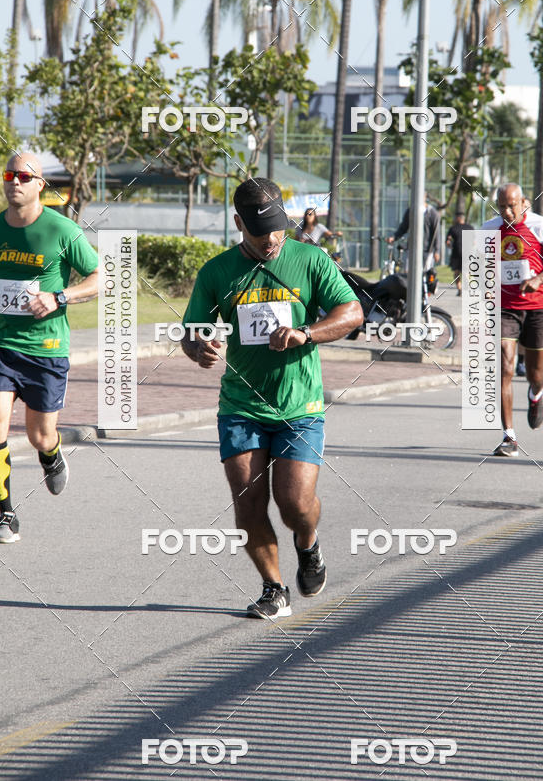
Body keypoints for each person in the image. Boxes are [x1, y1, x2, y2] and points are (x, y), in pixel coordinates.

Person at [182, 178, 362, 619]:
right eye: (261, 232)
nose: (272, 239)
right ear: (239, 223)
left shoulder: (310, 259)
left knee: (295, 504)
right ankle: (273, 587)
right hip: (241, 406)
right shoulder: (216, 272)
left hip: (299, 406)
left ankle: (308, 544)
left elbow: (352, 312)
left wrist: (307, 332)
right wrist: (198, 346)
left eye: (278, 228)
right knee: (248, 503)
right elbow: (191, 331)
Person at [0, 152, 99, 543]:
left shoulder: (61, 230)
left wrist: (59, 296)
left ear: (40, 184)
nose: (14, 181)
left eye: (24, 176)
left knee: (40, 434)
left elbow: (98, 279)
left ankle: (50, 454)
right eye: (9, 174)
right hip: (1, 344)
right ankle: (4, 512)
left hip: (45, 349)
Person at [483, 183, 543, 457]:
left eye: (511, 205)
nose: (507, 212)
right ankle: (509, 436)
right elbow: (476, 264)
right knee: (505, 368)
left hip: (538, 307)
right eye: (502, 206)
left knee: (535, 373)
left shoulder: (540, 225)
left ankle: (535, 395)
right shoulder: (489, 229)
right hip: (505, 308)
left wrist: (539, 278)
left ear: (523, 203)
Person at [387, 191, 440, 271]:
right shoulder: (410, 211)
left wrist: (437, 251)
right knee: (408, 272)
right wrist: (394, 237)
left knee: (426, 274)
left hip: (427, 250)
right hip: (412, 248)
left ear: (425, 198)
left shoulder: (432, 213)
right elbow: (403, 228)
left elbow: (436, 234)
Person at [515, 197, 532, 376]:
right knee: (514, 329)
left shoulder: (537, 227)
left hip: (532, 290)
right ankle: (517, 362)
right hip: (511, 291)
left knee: (527, 330)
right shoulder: (504, 229)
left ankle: (524, 361)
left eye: (527, 208)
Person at [446, 212, 474, 296]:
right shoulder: (470, 228)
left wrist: (450, 246)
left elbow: (448, 241)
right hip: (467, 253)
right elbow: (474, 241)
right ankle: (466, 289)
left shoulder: (453, 228)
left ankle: (460, 289)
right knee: (466, 272)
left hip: (456, 253)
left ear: (458, 218)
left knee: (456, 272)